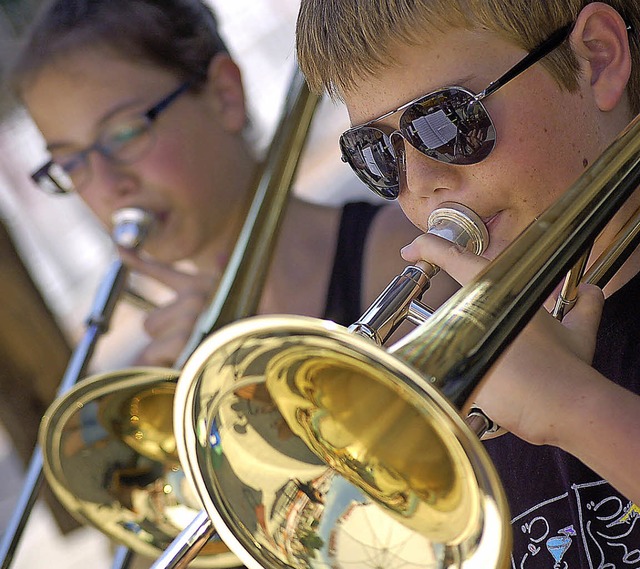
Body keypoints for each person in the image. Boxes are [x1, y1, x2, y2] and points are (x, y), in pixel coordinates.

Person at [3, 0, 435, 566]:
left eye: (124, 133)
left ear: (226, 94)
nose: (107, 185)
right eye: (71, 163)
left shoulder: (409, 263)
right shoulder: (159, 384)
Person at [296, 0, 640, 567]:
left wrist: (577, 410)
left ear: (597, 59)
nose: (423, 184)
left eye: (446, 122)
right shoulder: (477, 400)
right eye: (380, 154)